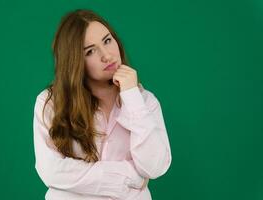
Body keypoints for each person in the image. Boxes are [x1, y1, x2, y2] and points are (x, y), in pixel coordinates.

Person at [33, 8, 172, 200]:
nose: (107, 55)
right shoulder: (51, 103)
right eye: (90, 51)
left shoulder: (145, 102)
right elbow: (51, 170)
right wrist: (129, 178)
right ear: (75, 62)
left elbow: (155, 167)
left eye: (107, 40)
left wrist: (132, 96)